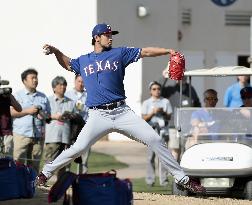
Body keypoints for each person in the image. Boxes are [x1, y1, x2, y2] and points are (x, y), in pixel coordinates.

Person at [37, 23, 206, 194]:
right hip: (98, 115)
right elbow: (67, 63)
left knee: (155, 140)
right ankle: (45, 173)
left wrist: (168, 51)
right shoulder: (83, 60)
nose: (110, 37)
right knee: (78, 148)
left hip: (122, 112)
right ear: (97, 38)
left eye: (111, 35)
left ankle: (182, 179)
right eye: (107, 35)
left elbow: (145, 51)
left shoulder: (119, 53)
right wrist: (56, 52)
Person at [10, 68, 50, 173]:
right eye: (32, 78)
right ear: (24, 81)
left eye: (36, 78)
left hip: (38, 136)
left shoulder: (43, 97)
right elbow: (12, 113)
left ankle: (32, 188)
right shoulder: (17, 95)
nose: (35, 80)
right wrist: (28, 111)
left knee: (34, 166)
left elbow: (48, 115)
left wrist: (43, 116)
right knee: (18, 164)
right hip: (21, 134)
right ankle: (18, 188)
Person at [161, 77, 201, 160]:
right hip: (174, 125)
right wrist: (164, 77)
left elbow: (197, 104)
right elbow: (158, 89)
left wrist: (197, 118)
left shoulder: (191, 89)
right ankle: (175, 171)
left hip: (188, 125)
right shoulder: (171, 89)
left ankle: (186, 170)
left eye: (183, 76)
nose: (181, 79)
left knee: (188, 149)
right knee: (175, 149)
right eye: (179, 76)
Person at [44, 76, 75, 179]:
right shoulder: (47, 100)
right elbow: (42, 116)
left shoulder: (71, 102)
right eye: (60, 85)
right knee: (49, 162)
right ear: (54, 88)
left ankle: (59, 186)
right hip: (52, 136)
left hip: (66, 137)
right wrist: (53, 116)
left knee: (64, 164)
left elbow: (75, 118)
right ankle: (42, 184)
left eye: (64, 85)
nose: (63, 87)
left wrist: (71, 116)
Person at [142, 81, 172, 187]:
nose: (157, 91)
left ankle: (164, 180)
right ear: (150, 91)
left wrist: (162, 112)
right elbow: (143, 118)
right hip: (151, 132)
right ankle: (150, 180)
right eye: (154, 89)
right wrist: (152, 113)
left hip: (163, 132)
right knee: (150, 157)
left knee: (163, 157)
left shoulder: (165, 102)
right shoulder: (146, 103)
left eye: (158, 89)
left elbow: (169, 117)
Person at [65, 75, 90, 174]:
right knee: (68, 158)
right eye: (79, 81)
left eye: (83, 82)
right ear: (75, 81)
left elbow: (91, 113)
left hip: (84, 130)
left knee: (84, 159)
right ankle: (66, 180)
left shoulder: (89, 96)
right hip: (70, 131)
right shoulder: (68, 95)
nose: (81, 84)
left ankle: (82, 182)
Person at [0, 92, 22, 156]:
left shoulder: (6, 95)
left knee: (7, 158)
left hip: (7, 132)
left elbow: (19, 109)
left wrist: (10, 96)